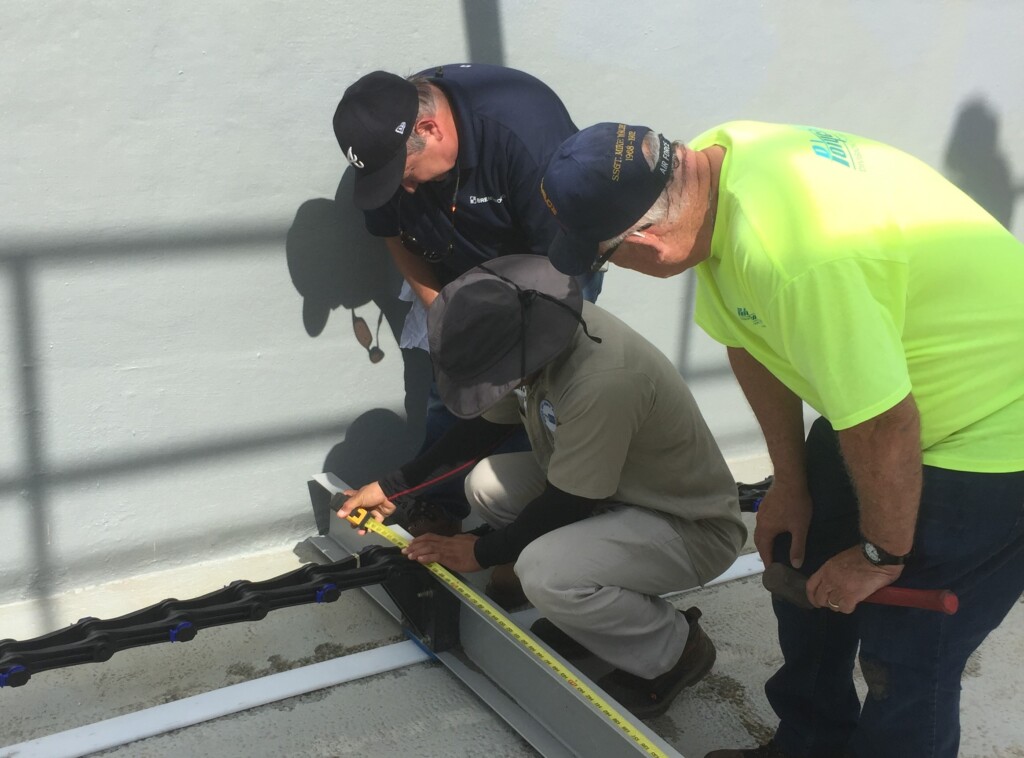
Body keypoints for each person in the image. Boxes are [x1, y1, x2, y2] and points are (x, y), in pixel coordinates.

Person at [538, 120, 1024, 757]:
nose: (616, 270)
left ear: (647, 238)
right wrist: (790, 486)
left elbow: (885, 424)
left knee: (906, 653)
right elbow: (750, 341)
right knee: (800, 561)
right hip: (894, 400)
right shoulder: (710, 169)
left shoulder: (798, 254)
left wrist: (879, 557)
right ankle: (811, 743)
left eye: (607, 257)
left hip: (992, 431)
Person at [335, 254, 746, 719]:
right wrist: (394, 485)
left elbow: (569, 501)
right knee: (487, 486)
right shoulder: (535, 334)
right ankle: (592, 619)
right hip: (614, 491)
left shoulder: (603, 379)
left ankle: (675, 650)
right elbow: (481, 433)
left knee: (545, 573)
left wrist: (480, 552)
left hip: (685, 523)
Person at [332, 64, 602, 533]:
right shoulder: (389, 146)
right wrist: (443, 310)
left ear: (431, 129)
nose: (405, 189)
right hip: (461, 274)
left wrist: (506, 351)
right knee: (452, 390)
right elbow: (393, 231)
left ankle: (529, 521)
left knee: (536, 395)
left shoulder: (524, 134)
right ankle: (436, 505)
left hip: (549, 266)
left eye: (408, 176)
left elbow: (561, 266)